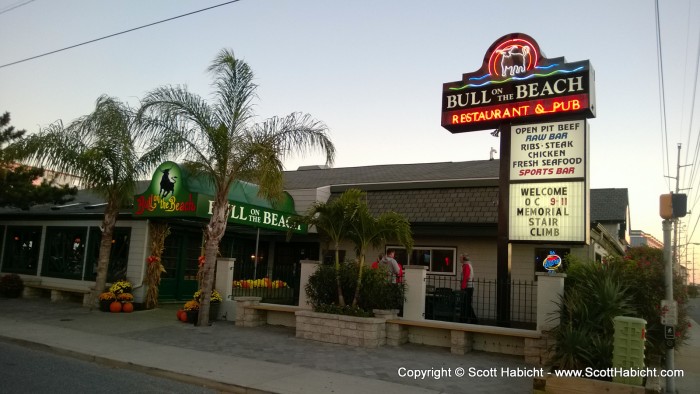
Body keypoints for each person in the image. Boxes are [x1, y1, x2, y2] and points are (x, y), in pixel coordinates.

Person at [460, 254, 477, 323]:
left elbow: (466, 276)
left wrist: (463, 287)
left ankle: (472, 319)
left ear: (464, 259)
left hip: (468, 287)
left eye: (461, 258)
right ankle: (471, 319)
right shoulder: (468, 265)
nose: (460, 259)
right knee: (467, 303)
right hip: (469, 286)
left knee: (466, 303)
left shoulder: (466, 266)